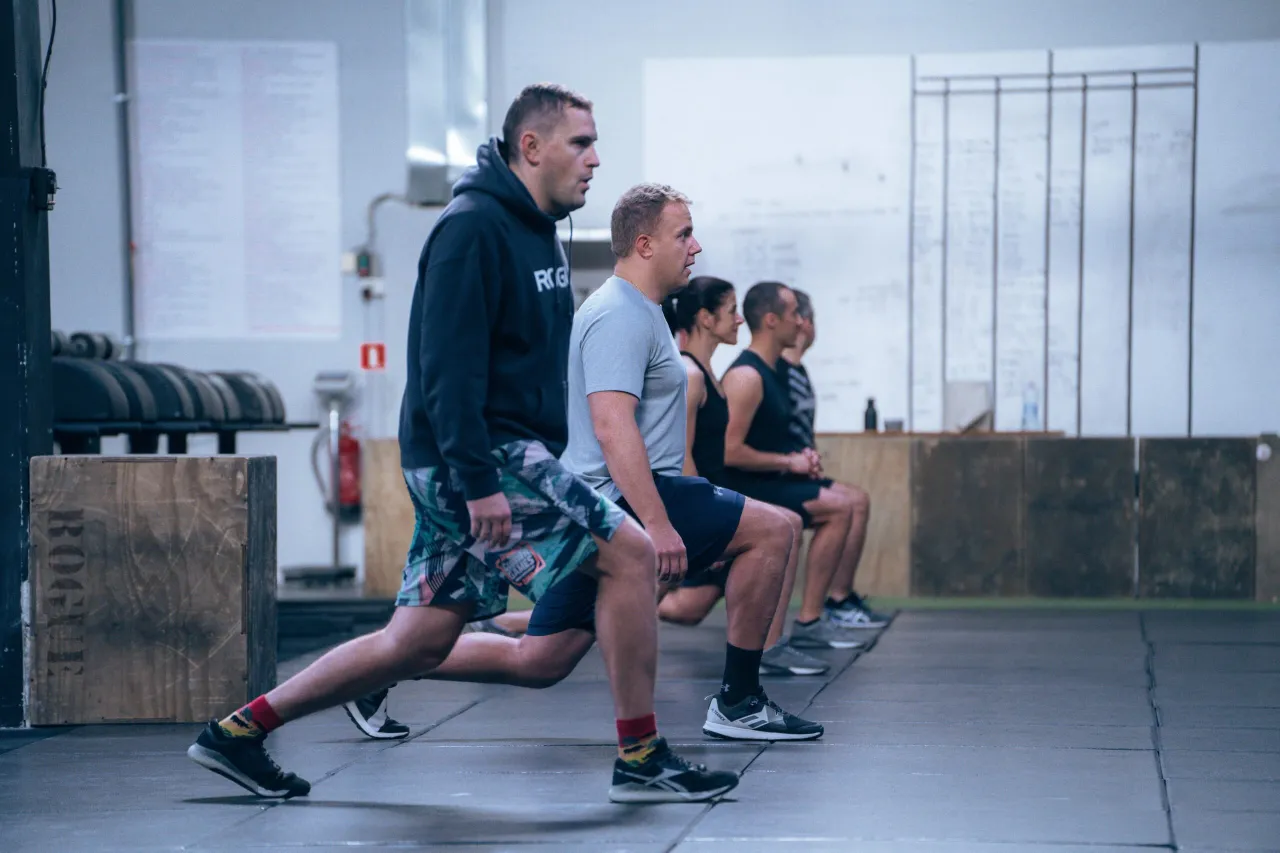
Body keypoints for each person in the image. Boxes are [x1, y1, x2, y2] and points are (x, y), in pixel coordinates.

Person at [186, 83, 739, 805]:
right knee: (632, 553)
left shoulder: (538, 230)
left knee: (417, 642)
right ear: (531, 146)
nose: (595, 159)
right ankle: (640, 755)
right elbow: (444, 369)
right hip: (482, 458)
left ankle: (236, 732)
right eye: (581, 143)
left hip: (491, 455)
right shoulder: (471, 229)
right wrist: (477, 482)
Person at [359, 184, 824, 744]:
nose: (695, 247)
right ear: (645, 245)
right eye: (684, 235)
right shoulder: (617, 314)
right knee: (776, 528)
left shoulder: (643, 311)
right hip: (622, 498)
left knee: (541, 660)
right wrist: (657, 525)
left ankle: (380, 669)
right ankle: (739, 701)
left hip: (623, 498)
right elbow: (611, 425)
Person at [655, 276, 831, 678]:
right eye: (732, 311)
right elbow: (683, 457)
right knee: (786, 524)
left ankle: (765, 647)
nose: (739, 320)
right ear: (705, 318)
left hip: (712, 496)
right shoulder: (690, 374)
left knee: (685, 609)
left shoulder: (709, 373)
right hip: (690, 501)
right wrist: (702, 515)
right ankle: (766, 650)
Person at [718, 282, 870, 650]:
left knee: (846, 504)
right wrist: (791, 461)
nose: (801, 323)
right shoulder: (746, 376)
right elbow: (728, 453)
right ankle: (807, 621)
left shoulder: (776, 371)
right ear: (772, 321)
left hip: (772, 479)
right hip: (746, 487)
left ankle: (808, 621)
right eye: (793, 315)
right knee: (683, 608)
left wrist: (802, 459)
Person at [780, 289, 891, 629]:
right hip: (776, 479)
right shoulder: (773, 371)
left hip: (799, 475)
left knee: (857, 500)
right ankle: (817, 612)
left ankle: (838, 599)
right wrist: (790, 463)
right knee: (687, 606)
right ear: (804, 323)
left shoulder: (798, 370)